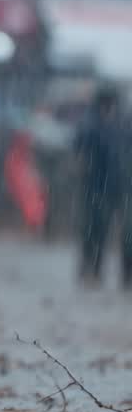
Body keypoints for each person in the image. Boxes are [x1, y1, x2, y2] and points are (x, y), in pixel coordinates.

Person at [73, 85, 126, 288]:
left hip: (114, 186)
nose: (108, 106)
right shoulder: (90, 124)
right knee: (92, 230)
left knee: (108, 231)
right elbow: (79, 152)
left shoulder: (120, 124)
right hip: (94, 186)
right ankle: (90, 268)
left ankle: (102, 270)